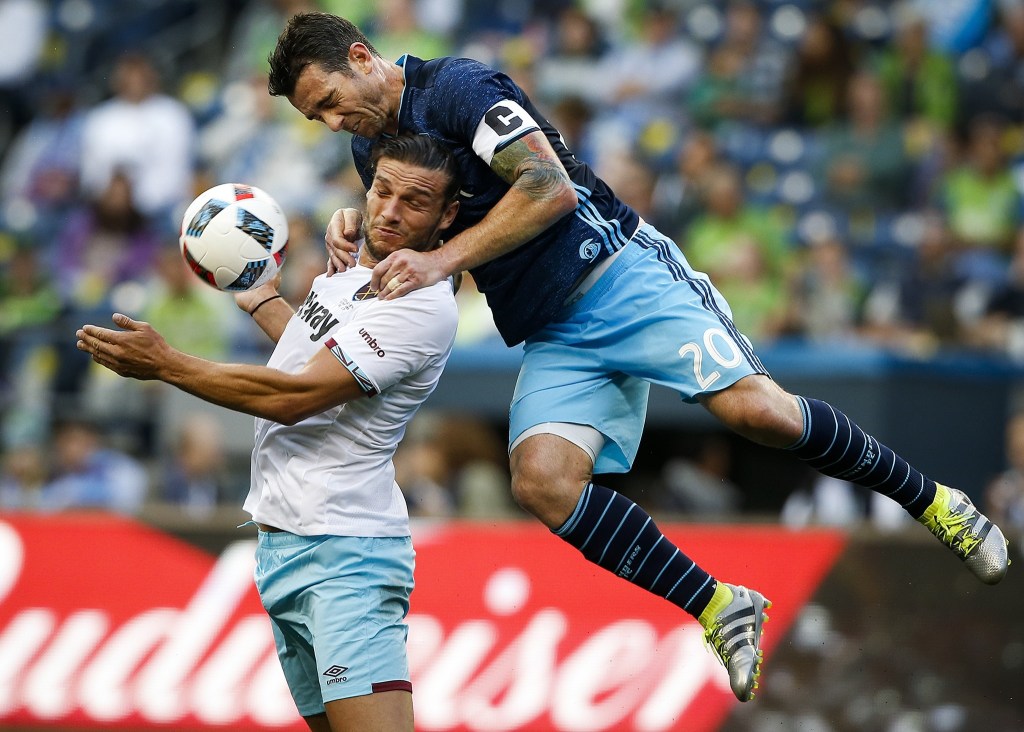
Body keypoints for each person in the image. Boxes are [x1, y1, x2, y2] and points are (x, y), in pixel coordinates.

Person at [267, 12, 1010, 703]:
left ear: (361, 57)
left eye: (330, 101)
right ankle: (719, 604)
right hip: (553, 327)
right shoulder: (370, 147)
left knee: (758, 413)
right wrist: (361, 234)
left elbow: (549, 188)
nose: (333, 122)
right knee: (543, 483)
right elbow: (423, 245)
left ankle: (936, 503)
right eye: (315, 117)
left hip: (620, 274)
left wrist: (439, 260)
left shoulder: (458, 89)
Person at [76, 133, 462, 732]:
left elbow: (296, 397)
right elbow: (309, 356)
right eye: (381, 190)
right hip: (286, 544)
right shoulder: (355, 268)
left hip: (345, 554)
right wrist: (262, 299)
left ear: (448, 215)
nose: (389, 212)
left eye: (414, 202)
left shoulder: (421, 304)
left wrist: (167, 364)